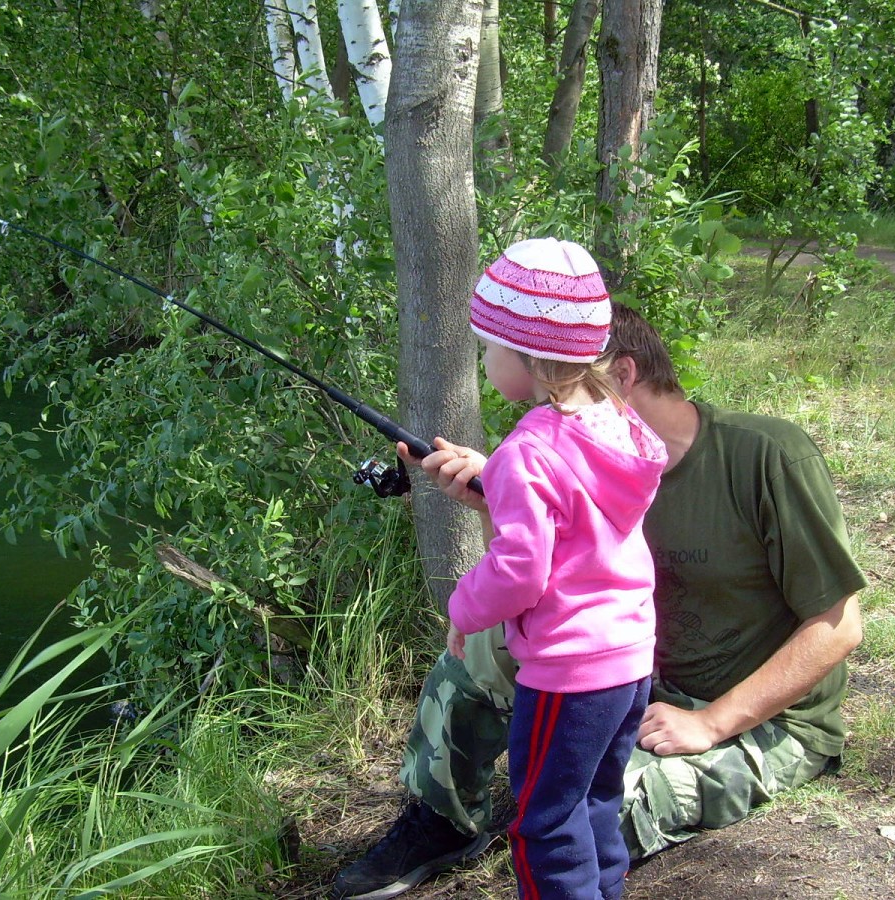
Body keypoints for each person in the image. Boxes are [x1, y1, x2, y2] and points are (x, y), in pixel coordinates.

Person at [331, 301, 867, 900]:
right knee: (480, 649)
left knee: (592, 820)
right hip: (629, 679)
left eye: (575, 376)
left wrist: (711, 722)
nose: (555, 398)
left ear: (625, 374)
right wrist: (496, 502)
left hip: (759, 720)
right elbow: (531, 584)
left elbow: (838, 626)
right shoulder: (574, 456)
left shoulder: (765, 455)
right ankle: (441, 820)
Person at [447, 237, 668, 900]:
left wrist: (462, 607)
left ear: (529, 356)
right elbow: (577, 526)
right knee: (594, 801)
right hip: (629, 660)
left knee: (544, 823)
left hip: (569, 673)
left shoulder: (527, 452)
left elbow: (520, 571)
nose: (484, 361)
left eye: (488, 348)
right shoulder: (618, 426)